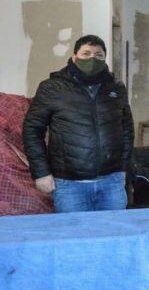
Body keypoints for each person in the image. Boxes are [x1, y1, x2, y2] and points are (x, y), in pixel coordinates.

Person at [22, 35, 134, 213]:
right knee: (74, 238)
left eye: (98, 55)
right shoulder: (52, 88)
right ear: (74, 57)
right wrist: (41, 173)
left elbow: (127, 130)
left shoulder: (116, 88)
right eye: (86, 53)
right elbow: (32, 130)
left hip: (111, 183)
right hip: (69, 186)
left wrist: (124, 169)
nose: (92, 58)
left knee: (113, 236)